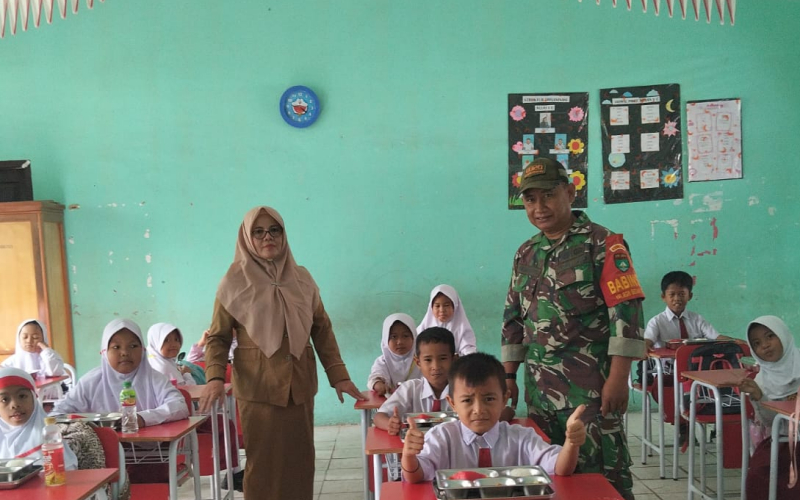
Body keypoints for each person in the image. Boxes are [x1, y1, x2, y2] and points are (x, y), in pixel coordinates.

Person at [501, 157, 646, 500]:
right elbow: (512, 318)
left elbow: (626, 314)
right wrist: (508, 376)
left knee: (600, 476)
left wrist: (618, 378)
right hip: (539, 394)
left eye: (548, 195)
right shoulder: (526, 253)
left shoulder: (604, 244)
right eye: (530, 199)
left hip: (590, 394)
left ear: (570, 191)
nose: (539, 207)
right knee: (549, 476)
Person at [198, 206, 364, 500]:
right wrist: (213, 378)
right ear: (247, 237)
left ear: (284, 235)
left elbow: (321, 328)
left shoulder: (302, 278)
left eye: (275, 230)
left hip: (299, 384)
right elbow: (219, 337)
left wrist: (339, 376)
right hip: (258, 387)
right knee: (264, 466)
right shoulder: (233, 282)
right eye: (258, 232)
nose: (268, 237)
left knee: (301, 463)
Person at [401, 352, 586, 482]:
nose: (479, 409)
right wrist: (408, 456)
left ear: (505, 398)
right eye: (467, 400)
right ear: (452, 403)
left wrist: (571, 443)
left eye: (489, 399)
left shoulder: (522, 437)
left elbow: (560, 469)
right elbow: (415, 476)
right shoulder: (441, 437)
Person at [54, 318, 189, 427]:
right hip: (102, 456)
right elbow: (57, 414)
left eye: (133, 346)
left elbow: (180, 406)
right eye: (116, 347)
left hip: (151, 454)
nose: (125, 352)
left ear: (143, 350)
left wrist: (143, 418)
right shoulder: (90, 382)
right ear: (104, 352)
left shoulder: (155, 379)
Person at [739, 316, 800, 499]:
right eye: (757, 343)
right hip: (782, 441)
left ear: (783, 335)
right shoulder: (761, 380)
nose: (765, 345)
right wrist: (759, 397)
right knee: (759, 476)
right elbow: (769, 421)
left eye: (770, 336)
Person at [374, 327, 456, 435]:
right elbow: (379, 416)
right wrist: (390, 424)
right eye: (428, 360)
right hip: (416, 449)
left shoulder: (462, 390)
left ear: (454, 360)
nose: (435, 366)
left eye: (443, 358)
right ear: (418, 362)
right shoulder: (410, 389)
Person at [644, 271, 720, 350]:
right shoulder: (656, 322)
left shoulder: (697, 319)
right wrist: (645, 346)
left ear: (690, 296)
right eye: (672, 294)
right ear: (663, 297)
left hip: (694, 362)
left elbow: (716, 337)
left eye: (682, 294)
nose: (677, 299)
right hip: (667, 362)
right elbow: (648, 340)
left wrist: (733, 341)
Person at [1, 319, 66, 400]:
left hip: (49, 400)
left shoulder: (48, 356)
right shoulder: (14, 360)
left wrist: (46, 350)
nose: (29, 341)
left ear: (43, 338)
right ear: (19, 339)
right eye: (25, 337)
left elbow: (55, 371)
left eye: (35, 337)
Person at [367, 313, 421, 397]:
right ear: (386, 339)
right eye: (393, 337)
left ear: (414, 337)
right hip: (390, 405)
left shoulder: (422, 360)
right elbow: (374, 377)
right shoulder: (383, 361)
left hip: (420, 405)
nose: (400, 342)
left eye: (405, 336)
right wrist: (378, 384)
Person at [418, 285, 477, 357]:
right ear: (431, 308)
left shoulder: (462, 328)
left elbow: (468, 350)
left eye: (446, 305)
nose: (442, 310)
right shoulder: (423, 328)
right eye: (437, 306)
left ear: (455, 306)